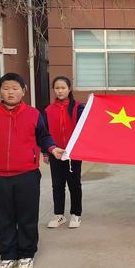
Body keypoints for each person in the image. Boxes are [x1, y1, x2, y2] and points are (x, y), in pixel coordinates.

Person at [0, 73, 64, 268]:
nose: (10, 92)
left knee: (27, 216)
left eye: (15, 88)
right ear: (0, 90)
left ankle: (26, 253)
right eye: (6, 88)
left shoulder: (33, 114)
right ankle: (7, 255)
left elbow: (44, 136)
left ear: (23, 90)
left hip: (27, 174)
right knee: (4, 217)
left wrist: (52, 149)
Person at [43, 76, 84, 229]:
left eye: (63, 88)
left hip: (73, 153)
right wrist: (46, 152)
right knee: (57, 185)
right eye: (57, 88)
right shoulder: (47, 110)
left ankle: (76, 214)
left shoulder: (78, 107)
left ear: (69, 89)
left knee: (74, 185)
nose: (60, 91)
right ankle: (59, 215)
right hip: (56, 153)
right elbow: (44, 133)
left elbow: (86, 127)